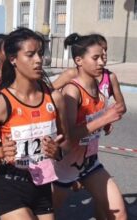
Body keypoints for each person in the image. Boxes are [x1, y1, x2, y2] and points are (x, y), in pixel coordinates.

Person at [0, 27, 70, 220]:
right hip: (10, 185)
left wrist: (58, 151)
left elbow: (67, 141)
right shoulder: (1, 104)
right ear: (13, 59)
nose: (39, 60)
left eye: (40, 53)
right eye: (30, 55)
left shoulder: (55, 98)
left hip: (42, 185)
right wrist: (1, 153)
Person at [52, 33, 127, 220]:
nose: (101, 62)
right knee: (46, 215)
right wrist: (102, 120)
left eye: (103, 57)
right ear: (79, 60)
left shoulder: (100, 87)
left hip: (89, 163)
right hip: (64, 167)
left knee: (120, 214)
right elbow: (68, 137)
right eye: (96, 58)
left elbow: (94, 119)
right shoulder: (72, 90)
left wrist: (105, 120)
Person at [52, 34, 126, 115]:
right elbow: (48, 92)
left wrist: (107, 114)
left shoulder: (108, 77)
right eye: (95, 57)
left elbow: (121, 107)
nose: (104, 54)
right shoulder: (72, 80)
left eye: (105, 50)